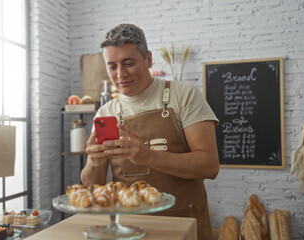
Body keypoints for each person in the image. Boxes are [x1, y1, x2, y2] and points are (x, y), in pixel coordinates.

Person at [80, 23, 219, 239]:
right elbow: (93, 187)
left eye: (128, 63)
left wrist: (148, 156)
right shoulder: (105, 114)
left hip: (185, 226)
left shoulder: (184, 96)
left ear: (149, 59)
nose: (120, 74)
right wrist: (94, 161)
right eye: (112, 66)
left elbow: (209, 166)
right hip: (129, 230)